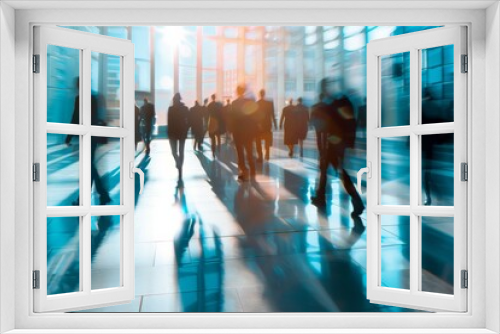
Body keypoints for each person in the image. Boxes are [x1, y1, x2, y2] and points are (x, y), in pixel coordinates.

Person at [311, 82, 364, 217]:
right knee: (327, 169)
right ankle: (320, 197)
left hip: (334, 143)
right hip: (337, 142)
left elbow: (332, 122)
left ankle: (356, 200)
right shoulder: (341, 102)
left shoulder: (338, 103)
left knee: (338, 171)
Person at [66, 77, 111, 205]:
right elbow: (94, 117)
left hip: (86, 136)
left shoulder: (79, 99)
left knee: (89, 167)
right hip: (93, 135)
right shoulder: (93, 98)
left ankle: (94, 196)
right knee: (90, 167)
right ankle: (99, 195)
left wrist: (68, 137)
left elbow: (75, 118)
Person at [231, 84, 257, 181]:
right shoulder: (249, 102)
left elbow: (233, 119)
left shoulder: (234, 103)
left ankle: (243, 172)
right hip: (248, 131)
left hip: (238, 132)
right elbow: (253, 118)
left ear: (237, 92)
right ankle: (253, 170)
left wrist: (232, 131)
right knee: (249, 151)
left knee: (240, 153)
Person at [167, 93, 190, 183]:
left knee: (174, 151)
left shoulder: (171, 109)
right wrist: (186, 128)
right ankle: (180, 169)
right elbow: (189, 120)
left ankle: (178, 164)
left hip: (173, 133)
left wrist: (168, 133)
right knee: (181, 151)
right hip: (182, 133)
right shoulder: (185, 109)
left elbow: (169, 122)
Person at [254, 89, 277, 162]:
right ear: (264, 94)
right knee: (267, 140)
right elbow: (273, 114)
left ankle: (260, 157)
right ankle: (267, 154)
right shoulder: (270, 103)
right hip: (267, 125)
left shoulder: (256, 103)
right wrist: (275, 124)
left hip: (258, 126)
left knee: (258, 141)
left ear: (259, 94)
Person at [207, 94, 224, 158]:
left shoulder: (209, 105)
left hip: (212, 122)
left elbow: (207, 114)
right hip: (218, 122)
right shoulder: (218, 105)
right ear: (215, 97)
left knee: (213, 138)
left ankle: (213, 151)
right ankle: (219, 148)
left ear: (211, 98)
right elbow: (221, 114)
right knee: (218, 135)